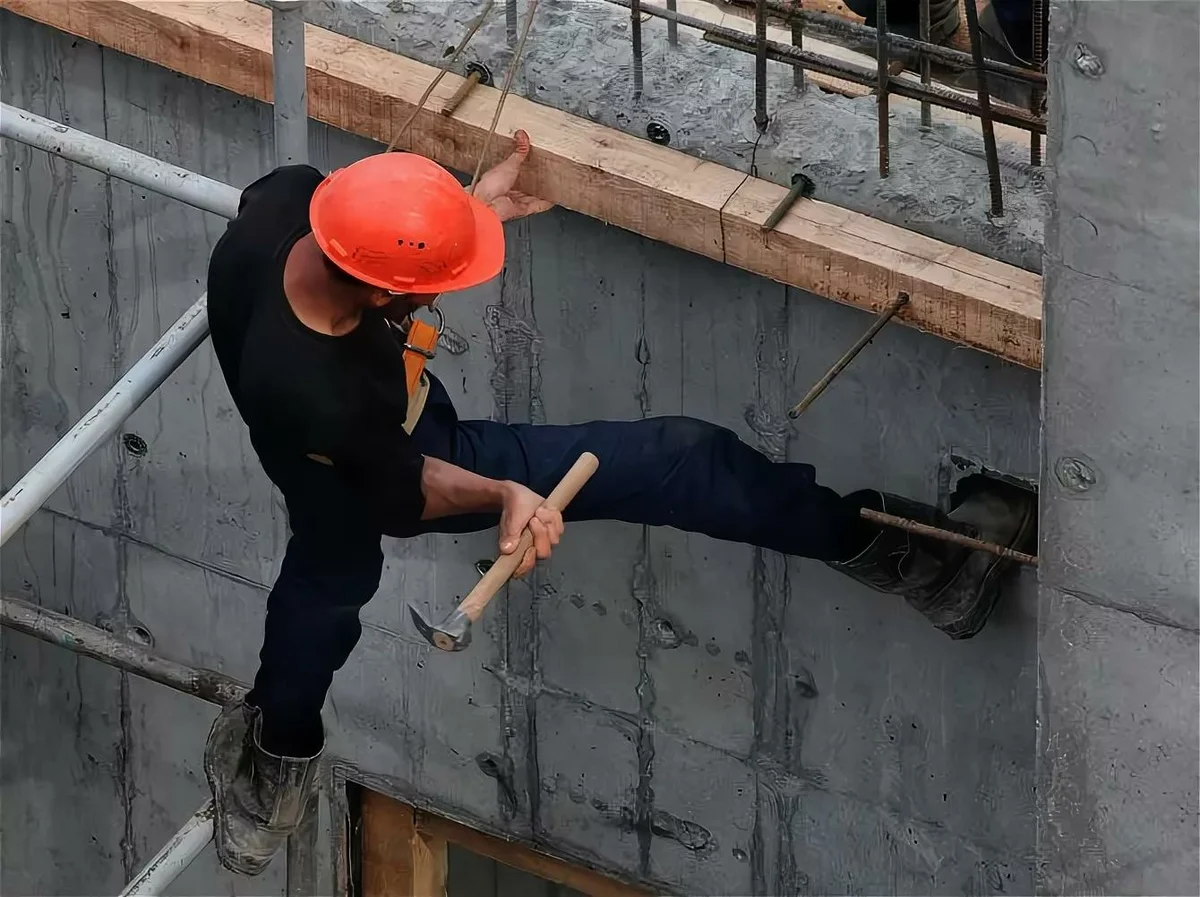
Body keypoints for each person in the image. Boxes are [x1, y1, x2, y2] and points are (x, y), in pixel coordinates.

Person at [202, 131, 1035, 875]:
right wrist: (506, 492)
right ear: (383, 296)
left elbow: (371, 237)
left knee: (325, 581)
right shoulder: (323, 396)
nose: (440, 293)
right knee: (336, 581)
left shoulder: (286, 207)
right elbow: (408, 490)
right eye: (430, 285)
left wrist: (461, 215)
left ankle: (276, 745)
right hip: (364, 467)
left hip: (383, 409)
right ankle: (926, 564)